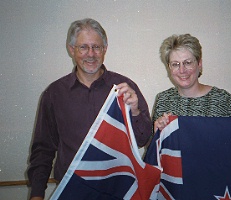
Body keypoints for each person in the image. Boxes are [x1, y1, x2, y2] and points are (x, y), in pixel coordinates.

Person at [27, 18, 152, 200]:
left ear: (105, 50)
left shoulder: (125, 88)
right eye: (83, 47)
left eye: (96, 47)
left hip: (117, 192)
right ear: (72, 50)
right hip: (72, 190)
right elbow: (43, 149)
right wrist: (37, 194)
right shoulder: (54, 94)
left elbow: (143, 140)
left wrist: (135, 111)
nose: (91, 54)